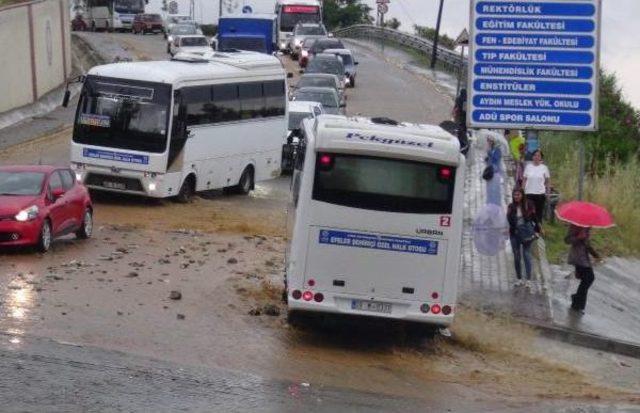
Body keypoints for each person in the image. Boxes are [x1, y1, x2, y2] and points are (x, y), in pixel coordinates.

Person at [507, 188, 540, 288]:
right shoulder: (511, 206)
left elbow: (534, 217)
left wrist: (537, 230)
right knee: (517, 257)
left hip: (526, 234)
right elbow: (509, 219)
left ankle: (528, 279)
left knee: (526, 255)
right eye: (515, 195)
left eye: (518, 195)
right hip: (514, 234)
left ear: (522, 195)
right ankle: (519, 278)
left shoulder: (529, 204)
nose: (516, 197)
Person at [565, 225, 600, 312]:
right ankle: (577, 301)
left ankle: (577, 303)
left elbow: (587, 244)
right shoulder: (575, 225)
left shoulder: (587, 227)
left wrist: (595, 254)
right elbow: (567, 240)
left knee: (587, 279)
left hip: (584, 258)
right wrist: (578, 237)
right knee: (589, 278)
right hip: (578, 257)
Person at [523, 149, 550, 223]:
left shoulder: (544, 168)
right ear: (532, 157)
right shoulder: (528, 167)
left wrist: (548, 194)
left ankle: (538, 231)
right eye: (535, 155)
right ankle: (530, 231)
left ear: (541, 157)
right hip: (529, 193)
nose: (536, 157)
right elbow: (524, 180)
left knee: (539, 214)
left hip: (540, 194)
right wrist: (522, 192)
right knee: (529, 213)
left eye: (538, 155)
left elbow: (547, 182)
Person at [485, 135, 502, 206]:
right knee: (489, 189)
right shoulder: (490, 150)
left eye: (490, 141)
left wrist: (490, 154)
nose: (489, 142)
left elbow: (496, 159)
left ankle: (495, 204)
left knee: (494, 189)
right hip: (490, 171)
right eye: (488, 141)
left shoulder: (497, 150)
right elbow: (489, 160)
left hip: (495, 172)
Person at [452, 88, 468, 153]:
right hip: (464, 119)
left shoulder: (458, 99)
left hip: (459, 118)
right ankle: (462, 144)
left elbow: (456, 107)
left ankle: (459, 143)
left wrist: (454, 113)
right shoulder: (467, 100)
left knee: (459, 131)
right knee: (463, 131)